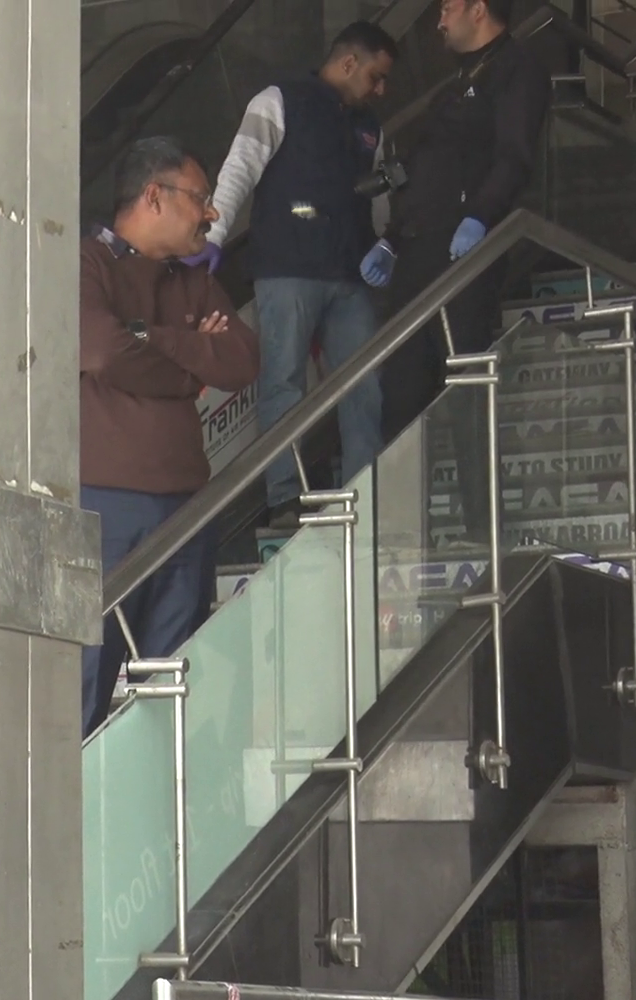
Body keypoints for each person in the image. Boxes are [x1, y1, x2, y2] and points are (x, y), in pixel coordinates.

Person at [80, 137, 260, 737]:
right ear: (154, 196)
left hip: (187, 511)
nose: (213, 212)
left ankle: (160, 799)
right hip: (103, 508)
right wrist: (189, 368)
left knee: (172, 690)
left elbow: (241, 360)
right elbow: (102, 351)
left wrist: (151, 337)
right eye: (200, 197)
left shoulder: (191, 279)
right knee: (85, 682)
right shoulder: (86, 264)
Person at [192, 21, 397, 524]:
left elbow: (380, 196)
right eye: (375, 76)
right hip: (287, 268)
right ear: (348, 63)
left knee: (365, 384)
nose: (380, 89)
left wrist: (386, 243)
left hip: (350, 273)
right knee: (283, 382)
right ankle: (285, 496)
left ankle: (366, 493)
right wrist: (212, 235)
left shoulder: (370, 126)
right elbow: (240, 167)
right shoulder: (278, 100)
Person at [374, 0, 549, 443]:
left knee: (467, 386)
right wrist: (392, 239)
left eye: (448, 9)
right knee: (400, 394)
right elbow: (425, 170)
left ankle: (478, 490)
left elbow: (514, 157)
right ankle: (400, 490)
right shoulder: (454, 84)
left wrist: (479, 216)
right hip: (416, 250)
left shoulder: (516, 69)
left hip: (463, 251)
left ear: (478, 9)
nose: (439, 21)